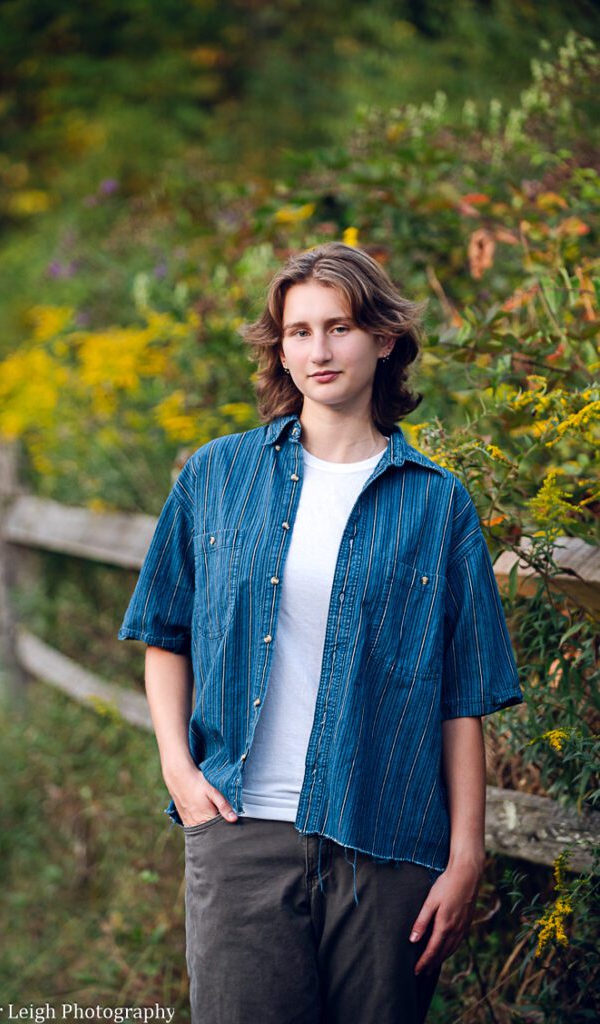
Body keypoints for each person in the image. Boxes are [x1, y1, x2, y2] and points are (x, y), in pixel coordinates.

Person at [117, 241, 525, 1024]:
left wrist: (466, 855)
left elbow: (461, 694)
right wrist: (177, 768)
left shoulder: (438, 504)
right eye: (298, 332)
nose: (318, 350)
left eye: (338, 327)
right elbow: (163, 634)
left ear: (382, 338)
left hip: (388, 841)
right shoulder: (217, 476)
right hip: (239, 830)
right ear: (280, 348)